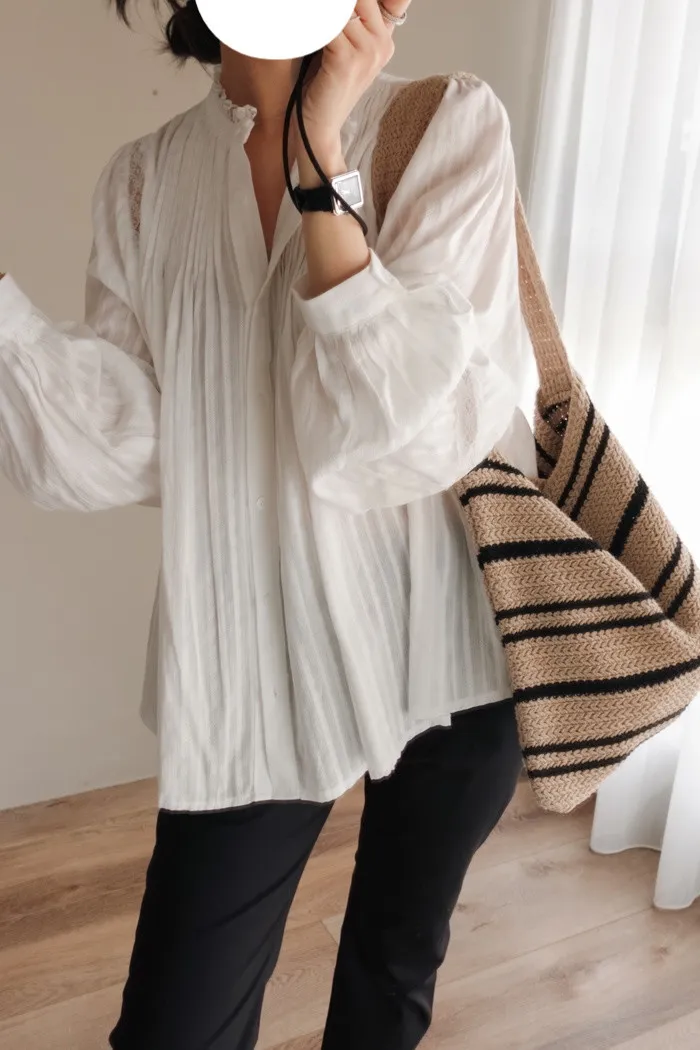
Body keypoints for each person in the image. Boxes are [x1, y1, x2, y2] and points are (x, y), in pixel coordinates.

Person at [0, 0, 537, 1046]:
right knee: (174, 1027)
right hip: (251, 665)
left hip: (452, 652)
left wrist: (319, 161)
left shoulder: (444, 125)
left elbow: (407, 440)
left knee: (391, 973)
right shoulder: (144, 181)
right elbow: (131, 446)